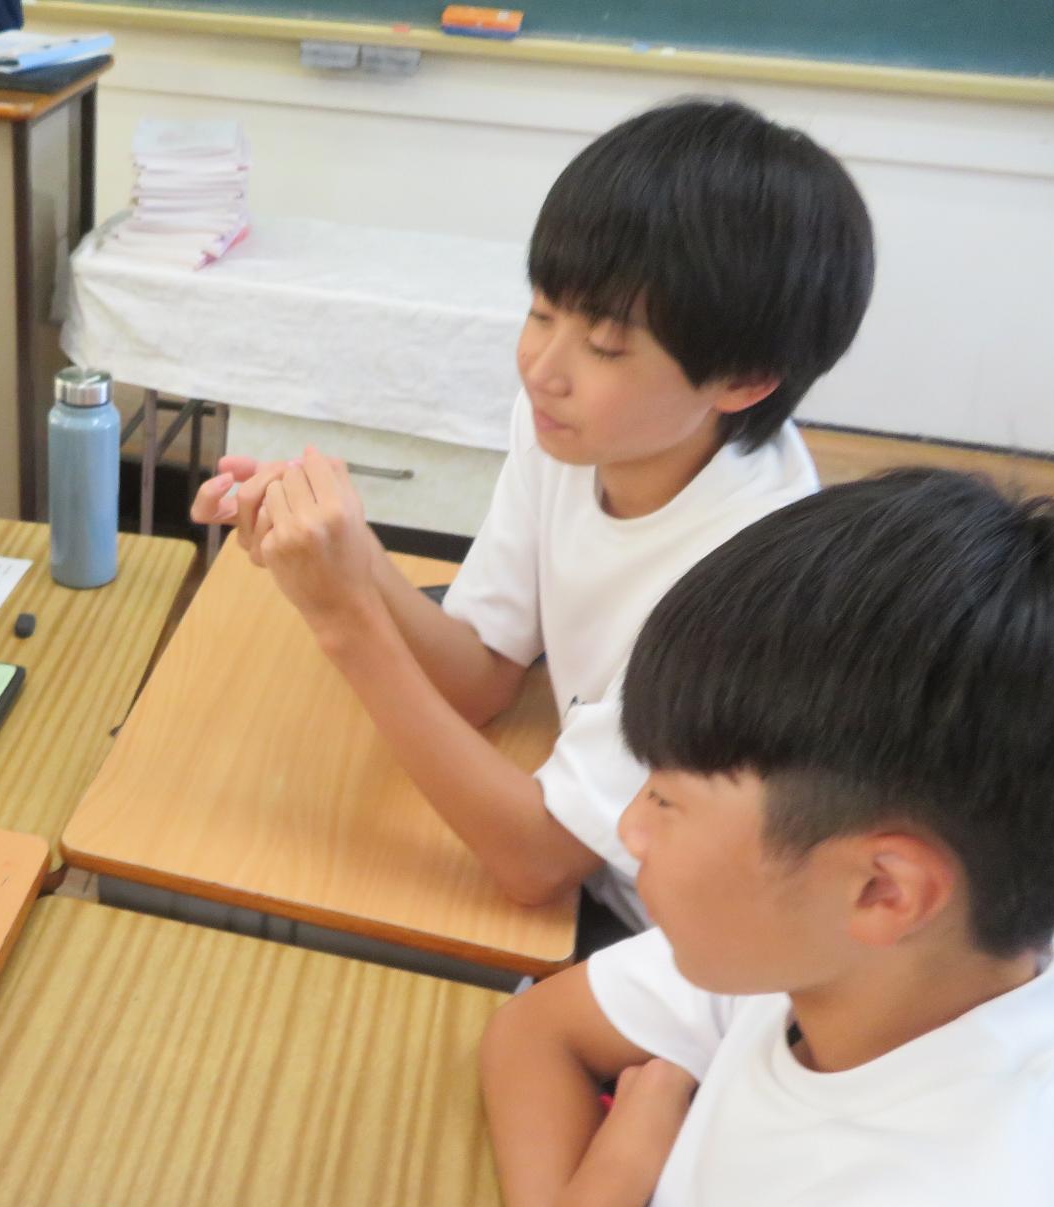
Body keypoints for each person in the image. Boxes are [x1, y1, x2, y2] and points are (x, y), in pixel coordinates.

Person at [415, 469, 1054, 1207]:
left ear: (883, 889)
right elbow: (534, 1036)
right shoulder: (933, 946)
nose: (629, 830)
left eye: (666, 800)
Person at [195, 99, 874, 936]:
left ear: (742, 381)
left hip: (685, 938)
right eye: (542, 311)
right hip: (593, 860)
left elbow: (535, 861)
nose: (542, 370)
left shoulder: (752, 583)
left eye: (606, 346)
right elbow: (482, 674)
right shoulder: (576, 430)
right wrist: (348, 552)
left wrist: (343, 617)